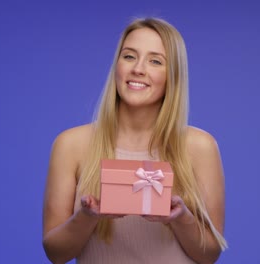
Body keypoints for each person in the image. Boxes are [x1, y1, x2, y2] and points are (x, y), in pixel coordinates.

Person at [42, 17, 227, 264]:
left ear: (173, 75)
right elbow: (55, 254)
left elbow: (210, 255)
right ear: (116, 65)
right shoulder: (71, 145)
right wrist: (88, 216)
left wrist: (181, 219)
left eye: (155, 61)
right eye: (129, 56)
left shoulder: (200, 146)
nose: (138, 69)